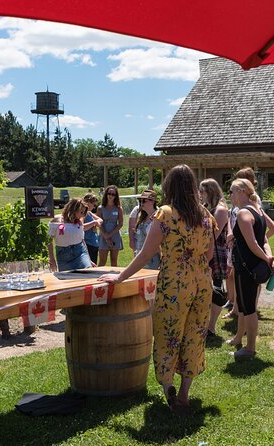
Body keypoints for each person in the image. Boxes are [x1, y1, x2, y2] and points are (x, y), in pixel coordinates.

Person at [99, 165, 215, 416]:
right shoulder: (205, 214)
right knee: (194, 335)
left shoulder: (166, 214)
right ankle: (185, 394)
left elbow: (145, 253)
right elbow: (210, 253)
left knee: (168, 335)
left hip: (175, 283)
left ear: (170, 187)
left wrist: (120, 276)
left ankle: (169, 389)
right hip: (203, 283)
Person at [227, 179, 274, 360]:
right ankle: (239, 339)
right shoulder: (258, 210)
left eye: (232, 191)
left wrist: (267, 260)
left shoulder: (243, 213)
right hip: (252, 266)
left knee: (248, 309)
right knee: (244, 306)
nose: (230, 195)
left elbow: (254, 243)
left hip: (246, 268)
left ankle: (250, 348)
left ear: (242, 191)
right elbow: (264, 240)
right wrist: (269, 260)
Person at [199, 178, 230, 339]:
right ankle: (203, 325)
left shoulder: (221, 209)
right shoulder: (204, 207)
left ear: (210, 191)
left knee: (216, 290)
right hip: (203, 251)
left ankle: (211, 327)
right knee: (204, 289)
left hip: (216, 252)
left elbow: (213, 234)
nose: (200, 194)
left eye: (202, 191)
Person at [47, 198, 99, 272]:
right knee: (68, 279)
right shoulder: (56, 220)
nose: (82, 215)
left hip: (80, 252)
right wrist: (51, 258)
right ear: (74, 209)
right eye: (81, 212)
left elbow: (82, 240)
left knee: (87, 273)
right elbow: (48, 240)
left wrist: (88, 259)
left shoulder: (79, 223)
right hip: (63, 254)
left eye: (83, 212)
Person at [97, 185, 124, 267]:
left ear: (116, 196)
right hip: (103, 235)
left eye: (113, 194)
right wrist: (106, 236)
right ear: (106, 194)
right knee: (102, 261)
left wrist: (110, 235)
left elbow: (120, 223)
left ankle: (114, 278)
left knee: (114, 261)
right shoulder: (100, 208)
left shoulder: (119, 208)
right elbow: (98, 223)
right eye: (109, 193)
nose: (111, 196)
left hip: (115, 235)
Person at [133, 189, 160, 269]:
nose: (141, 203)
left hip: (152, 261)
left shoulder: (158, 216)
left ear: (152, 201)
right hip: (139, 258)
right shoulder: (141, 216)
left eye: (144, 200)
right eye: (140, 201)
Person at [82, 193, 102, 265]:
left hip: (94, 244)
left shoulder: (89, 213)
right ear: (88, 202)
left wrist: (95, 223)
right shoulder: (82, 214)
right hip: (88, 244)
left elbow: (100, 220)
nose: (94, 207)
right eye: (93, 205)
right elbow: (81, 227)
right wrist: (94, 223)